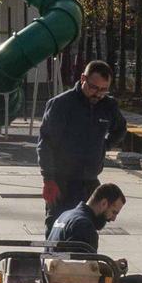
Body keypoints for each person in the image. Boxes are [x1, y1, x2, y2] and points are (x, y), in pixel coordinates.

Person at [38, 60, 127, 226]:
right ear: (83, 78)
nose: (98, 94)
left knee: (87, 230)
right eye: (94, 88)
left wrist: (104, 146)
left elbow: (120, 129)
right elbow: (46, 144)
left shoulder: (108, 106)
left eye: (103, 90)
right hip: (61, 182)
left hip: (90, 181)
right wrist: (48, 179)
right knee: (58, 229)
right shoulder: (61, 104)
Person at [48, 182, 125, 254]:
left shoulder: (65, 215)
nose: (113, 219)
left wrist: (110, 263)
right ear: (104, 203)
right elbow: (83, 266)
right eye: (113, 212)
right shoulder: (84, 226)